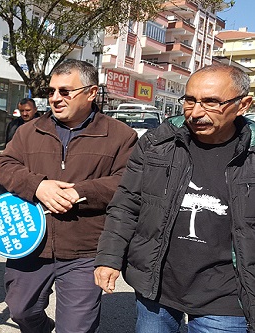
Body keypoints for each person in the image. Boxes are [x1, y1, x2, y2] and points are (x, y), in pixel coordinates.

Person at [94, 64, 255, 332]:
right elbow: (126, 204)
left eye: (211, 102)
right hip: (157, 288)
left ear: (243, 104)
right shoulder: (158, 142)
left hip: (228, 299)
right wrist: (109, 258)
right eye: (190, 100)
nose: (196, 112)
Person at [0, 59, 138, 333]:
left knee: (76, 329)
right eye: (51, 91)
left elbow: (128, 182)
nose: (55, 98)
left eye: (65, 91)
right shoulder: (29, 131)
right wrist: (38, 186)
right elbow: (4, 164)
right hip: (31, 243)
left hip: (85, 250)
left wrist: (79, 192)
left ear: (91, 92)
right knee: (21, 310)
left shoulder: (121, 135)